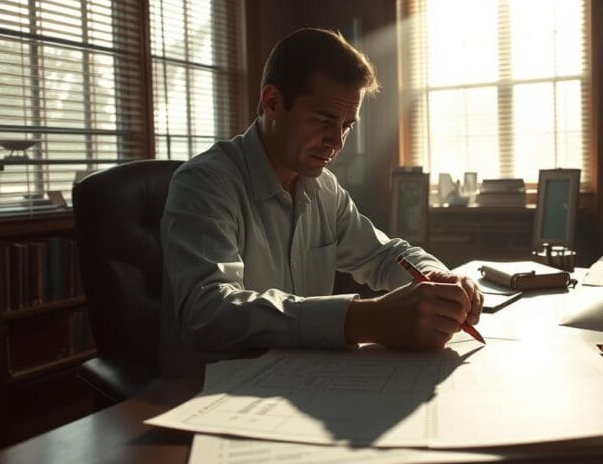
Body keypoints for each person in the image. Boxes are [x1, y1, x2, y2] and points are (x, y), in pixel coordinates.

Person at [160, 28, 481, 373]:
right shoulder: (205, 183)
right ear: (272, 103)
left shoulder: (323, 187)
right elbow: (208, 312)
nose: (337, 142)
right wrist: (365, 319)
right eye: (323, 121)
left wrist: (438, 279)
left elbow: (384, 255)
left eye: (347, 125)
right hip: (207, 387)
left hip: (301, 378)